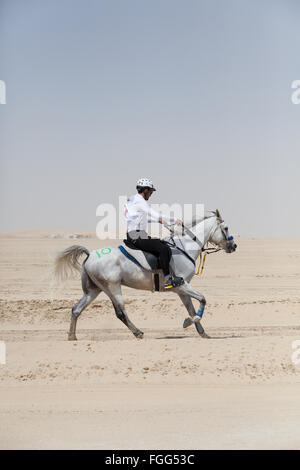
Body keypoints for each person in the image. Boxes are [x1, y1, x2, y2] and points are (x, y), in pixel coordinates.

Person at [125, 178, 184, 288]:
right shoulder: (140, 201)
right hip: (137, 236)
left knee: (162, 243)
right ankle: (167, 279)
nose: (151, 194)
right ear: (146, 190)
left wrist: (157, 221)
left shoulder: (132, 200)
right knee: (164, 249)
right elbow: (154, 213)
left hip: (136, 234)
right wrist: (174, 219)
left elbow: (142, 219)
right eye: (151, 191)